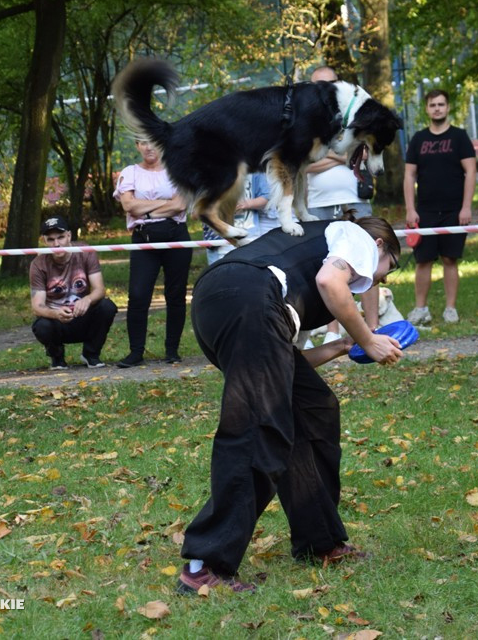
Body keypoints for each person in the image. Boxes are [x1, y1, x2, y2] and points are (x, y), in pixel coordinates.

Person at [176, 216, 403, 594]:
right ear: (381, 246)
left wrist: (343, 346)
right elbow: (330, 282)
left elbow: (281, 358)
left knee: (312, 408)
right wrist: (368, 337)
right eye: (388, 270)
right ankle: (205, 565)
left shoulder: (314, 251)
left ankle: (320, 541)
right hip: (248, 299)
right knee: (258, 430)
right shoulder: (358, 236)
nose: (380, 281)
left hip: (224, 302)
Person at [306, 65, 378, 339]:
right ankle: (332, 330)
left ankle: (372, 326)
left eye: (330, 83)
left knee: (368, 258)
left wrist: (329, 156)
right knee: (322, 266)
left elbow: (366, 154)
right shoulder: (306, 120)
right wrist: (342, 155)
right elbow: (304, 164)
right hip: (317, 202)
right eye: (318, 85)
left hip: (354, 200)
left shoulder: (356, 115)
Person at [113, 140, 192, 367]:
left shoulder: (177, 168)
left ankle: (172, 350)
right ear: (137, 145)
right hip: (143, 238)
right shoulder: (130, 173)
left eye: (154, 141)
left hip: (176, 235)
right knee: (138, 295)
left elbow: (179, 205)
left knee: (175, 294)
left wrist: (145, 210)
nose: (149, 147)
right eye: (143, 142)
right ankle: (136, 352)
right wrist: (163, 204)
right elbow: (129, 206)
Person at [403, 89, 477, 326]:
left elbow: (471, 172)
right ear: (427, 109)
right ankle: (421, 308)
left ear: (447, 108)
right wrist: (410, 209)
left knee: (449, 260)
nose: (437, 108)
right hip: (424, 211)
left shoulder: (460, 137)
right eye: (433, 105)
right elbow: (409, 176)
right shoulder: (418, 139)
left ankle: (450, 309)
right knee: (423, 261)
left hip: (454, 211)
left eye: (441, 104)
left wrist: (466, 207)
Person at [29, 216, 118, 369]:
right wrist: (55, 313)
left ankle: (91, 354)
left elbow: (100, 289)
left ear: (69, 235)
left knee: (107, 306)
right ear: (44, 240)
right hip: (58, 321)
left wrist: (88, 300)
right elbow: (37, 306)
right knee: (42, 325)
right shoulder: (38, 264)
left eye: (61, 237)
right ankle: (57, 357)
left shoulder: (85, 251)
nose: (56, 244)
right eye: (50, 239)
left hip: (83, 316)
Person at [202, 171, 271, 264]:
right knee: (220, 274)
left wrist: (246, 204)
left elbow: (266, 196)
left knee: (251, 271)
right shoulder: (209, 168)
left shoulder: (255, 169)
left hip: (250, 233)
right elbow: (198, 209)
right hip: (219, 238)